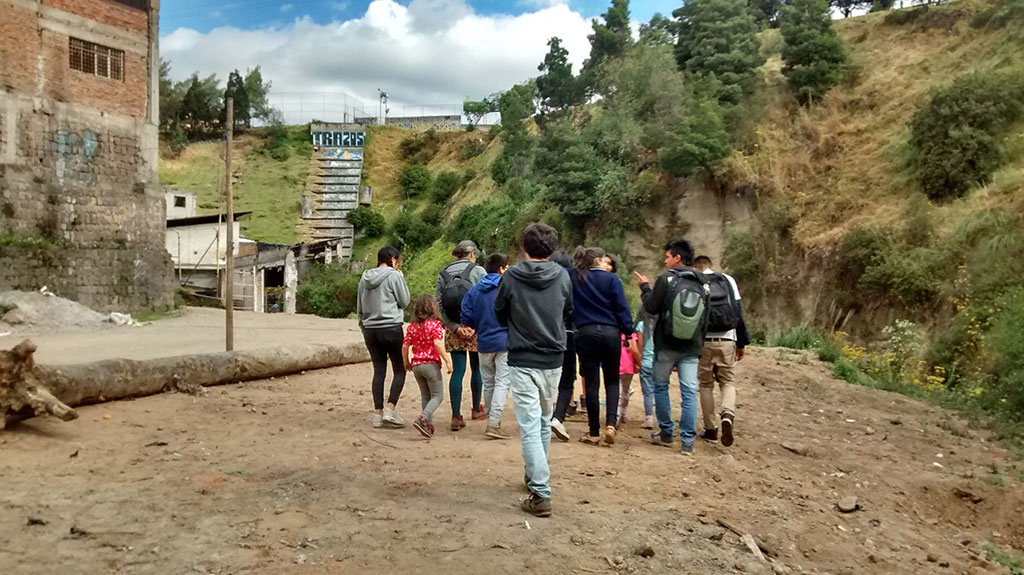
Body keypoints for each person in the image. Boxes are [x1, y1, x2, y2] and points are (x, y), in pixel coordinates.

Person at [494, 223, 572, 518]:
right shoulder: (563, 276)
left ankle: (540, 491)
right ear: (552, 249)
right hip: (554, 358)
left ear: (524, 246)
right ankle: (534, 476)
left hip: (522, 356)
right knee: (542, 420)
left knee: (529, 425)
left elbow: (499, 311)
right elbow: (568, 309)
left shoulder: (511, 276)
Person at [634, 238, 708, 455]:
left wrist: (645, 288)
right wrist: (699, 344)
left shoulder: (666, 279)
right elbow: (706, 317)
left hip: (666, 344)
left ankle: (666, 433)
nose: (665, 260)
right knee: (688, 391)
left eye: (667, 256)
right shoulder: (703, 282)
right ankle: (687, 443)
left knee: (660, 386)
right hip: (691, 346)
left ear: (677, 257)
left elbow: (651, 307)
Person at [572, 246, 633, 445]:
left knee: (591, 382)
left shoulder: (577, 278)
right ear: (598, 260)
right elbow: (622, 308)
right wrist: (627, 330)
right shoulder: (612, 280)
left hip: (585, 332)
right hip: (610, 333)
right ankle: (610, 424)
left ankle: (593, 431)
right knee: (612, 380)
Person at [692, 255, 750, 448]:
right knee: (727, 381)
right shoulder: (727, 280)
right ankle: (727, 413)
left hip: (703, 341)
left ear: (695, 267)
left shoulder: (694, 281)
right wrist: (742, 342)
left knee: (706, 384)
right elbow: (738, 313)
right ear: (711, 266)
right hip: (727, 339)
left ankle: (710, 430)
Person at [357, 246, 411, 429]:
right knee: (399, 369)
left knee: (379, 370)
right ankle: (390, 408)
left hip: (370, 329)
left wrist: (363, 325)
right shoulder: (394, 276)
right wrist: (401, 279)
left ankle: (377, 414)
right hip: (391, 327)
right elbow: (405, 301)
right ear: (392, 259)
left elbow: (359, 306)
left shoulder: (364, 278)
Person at [435, 240, 486, 431]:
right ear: (472, 253)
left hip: (453, 328)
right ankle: (476, 408)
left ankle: (456, 416)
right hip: (475, 327)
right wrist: (475, 326)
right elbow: (485, 300)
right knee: (477, 368)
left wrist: (454, 327)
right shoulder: (478, 271)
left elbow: (439, 305)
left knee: (458, 370)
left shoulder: (443, 274)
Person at [461, 253, 511, 440]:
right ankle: (494, 422)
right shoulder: (506, 288)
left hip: (483, 342)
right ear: (501, 269)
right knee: (503, 381)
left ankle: (492, 417)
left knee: (489, 382)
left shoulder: (474, 291)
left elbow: (466, 315)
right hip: (505, 340)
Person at [402, 295, 453, 438]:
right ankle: (423, 418)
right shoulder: (435, 325)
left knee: (426, 395)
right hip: (430, 364)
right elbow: (437, 343)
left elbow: (405, 345)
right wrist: (447, 360)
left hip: (417, 365)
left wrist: (406, 361)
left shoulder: (412, 327)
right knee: (437, 395)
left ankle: (427, 426)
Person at [549, 249, 578, 442]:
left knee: (547, 377)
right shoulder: (575, 281)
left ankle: (543, 417)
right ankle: (558, 418)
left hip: (546, 334)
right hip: (568, 334)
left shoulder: (546, 279)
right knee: (567, 381)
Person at [633, 309, 657, 430]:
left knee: (648, 391)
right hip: (660, 363)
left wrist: (639, 361)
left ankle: (649, 418)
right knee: (660, 390)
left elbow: (639, 346)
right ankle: (662, 418)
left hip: (646, 362)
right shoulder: (662, 324)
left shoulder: (641, 325)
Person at [616, 330, 641, 425]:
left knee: (617, 391)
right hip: (628, 366)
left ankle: (616, 415)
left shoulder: (614, 333)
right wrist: (639, 363)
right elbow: (634, 350)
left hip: (615, 365)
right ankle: (623, 413)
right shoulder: (631, 334)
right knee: (625, 391)